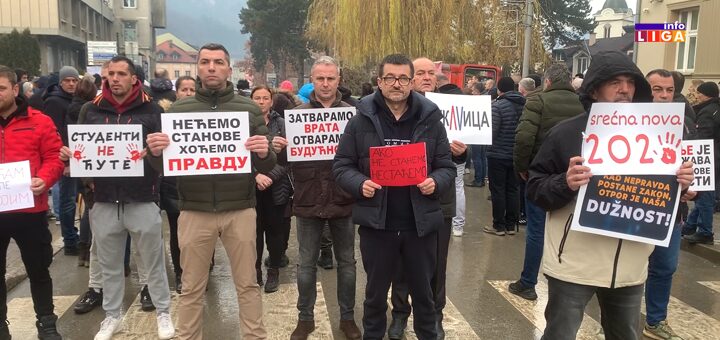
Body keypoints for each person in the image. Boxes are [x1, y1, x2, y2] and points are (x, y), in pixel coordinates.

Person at [528, 50, 694, 340]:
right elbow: (535, 188)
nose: (625, 89)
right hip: (575, 264)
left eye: (630, 82)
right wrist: (565, 182)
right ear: (594, 88)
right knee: (560, 334)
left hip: (630, 266)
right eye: (615, 82)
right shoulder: (566, 133)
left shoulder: (658, 135)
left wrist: (681, 188)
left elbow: (667, 201)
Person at [146, 43, 274, 340]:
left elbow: (267, 163)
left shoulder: (249, 108)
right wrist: (155, 152)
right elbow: (161, 165)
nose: (212, 67)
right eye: (205, 62)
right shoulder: (179, 110)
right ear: (198, 68)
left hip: (240, 208)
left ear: (229, 69)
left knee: (248, 284)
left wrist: (265, 150)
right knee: (191, 286)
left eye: (218, 62)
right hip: (194, 210)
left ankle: (255, 337)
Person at [333, 53, 456, 340]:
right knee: (375, 297)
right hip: (378, 225)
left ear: (412, 82)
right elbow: (341, 166)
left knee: (425, 298)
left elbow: (446, 167)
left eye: (403, 78)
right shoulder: (360, 120)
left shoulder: (430, 119)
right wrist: (359, 183)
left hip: (420, 225)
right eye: (390, 78)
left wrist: (434, 182)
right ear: (379, 82)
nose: (396, 84)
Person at [71, 56, 174, 340]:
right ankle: (112, 315)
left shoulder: (152, 110)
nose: (114, 79)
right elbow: (80, 152)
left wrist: (154, 152)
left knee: (153, 260)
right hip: (103, 199)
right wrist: (76, 165)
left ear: (133, 78)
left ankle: (163, 311)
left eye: (120, 74)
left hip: (142, 197)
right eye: (110, 74)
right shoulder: (89, 110)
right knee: (109, 263)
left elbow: (164, 158)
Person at [386, 57, 468, 340]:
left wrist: (462, 152)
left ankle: (435, 315)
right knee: (400, 265)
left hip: (437, 202)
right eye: (418, 73)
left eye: (429, 73)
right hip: (401, 201)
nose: (425, 77)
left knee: (436, 265)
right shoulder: (395, 109)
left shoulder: (449, 108)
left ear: (437, 77)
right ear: (409, 78)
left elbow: (450, 162)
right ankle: (399, 314)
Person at [288, 56, 360, 340]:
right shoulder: (298, 113)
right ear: (312, 80)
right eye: (320, 78)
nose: (326, 83)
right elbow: (286, 160)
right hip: (308, 196)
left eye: (331, 78)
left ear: (338, 80)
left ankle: (347, 318)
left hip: (343, 196)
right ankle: (305, 319)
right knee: (305, 264)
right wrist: (282, 146)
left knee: (348, 262)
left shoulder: (353, 114)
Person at [509, 63, 583, 300]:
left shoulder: (537, 101)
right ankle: (568, 283)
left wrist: (522, 168)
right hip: (578, 177)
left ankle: (528, 282)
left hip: (543, 174)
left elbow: (524, 137)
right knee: (571, 230)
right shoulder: (583, 103)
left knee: (536, 231)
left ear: (547, 82)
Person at [0, 65, 64, 340]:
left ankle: (46, 323)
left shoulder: (40, 121)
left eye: (1, 88)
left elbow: (54, 157)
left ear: (15, 89)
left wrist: (45, 179)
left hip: (30, 209)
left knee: (38, 269)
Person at [641, 68, 695, 340]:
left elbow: (694, 166)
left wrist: (691, 189)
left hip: (672, 212)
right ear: (645, 90)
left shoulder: (684, 124)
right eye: (657, 89)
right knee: (626, 271)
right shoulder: (625, 121)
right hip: (633, 210)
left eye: (669, 90)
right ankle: (615, 321)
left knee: (664, 267)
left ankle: (655, 320)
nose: (664, 95)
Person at [250, 85, 292, 293]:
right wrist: (255, 175)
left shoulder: (282, 123)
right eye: (257, 98)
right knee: (253, 234)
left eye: (265, 97)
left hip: (277, 187)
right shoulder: (243, 124)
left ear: (271, 101)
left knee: (276, 233)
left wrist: (269, 175)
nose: (261, 101)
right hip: (250, 188)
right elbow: (237, 157)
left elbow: (287, 159)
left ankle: (273, 270)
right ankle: (256, 271)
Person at [43, 65, 80, 255]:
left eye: (74, 80)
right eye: (68, 80)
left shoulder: (73, 99)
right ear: (61, 82)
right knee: (67, 201)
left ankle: (73, 235)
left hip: (78, 157)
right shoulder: (55, 102)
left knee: (74, 200)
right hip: (66, 159)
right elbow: (55, 134)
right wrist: (64, 163)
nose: (71, 83)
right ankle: (70, 241)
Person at [483, 77, 525, 236]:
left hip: (498, 154)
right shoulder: (525, 104)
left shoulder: (498, 106)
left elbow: (491, 131)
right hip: (516, 154)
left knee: (498, 190)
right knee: (513, 189)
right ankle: (511, 225)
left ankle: (498, 225)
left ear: (499, 90)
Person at [65, 76, 98, 267]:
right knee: (91, 210)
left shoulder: (71, 107)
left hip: (80, 163)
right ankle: (88, 250)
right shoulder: (89, 110)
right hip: (88, 164)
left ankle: (84, 252)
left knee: (87, 210)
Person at [683, 81, 720, 245]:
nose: (697, 96)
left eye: (699, 93)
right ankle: (691, 226)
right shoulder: (715, 109)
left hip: (709, 158)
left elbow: (703, 137)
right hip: (715, 158)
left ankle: (705, 231)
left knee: (704, 195)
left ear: (705, 95)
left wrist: (689, 139)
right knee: (704, 193)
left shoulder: (707, 112)